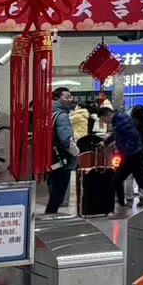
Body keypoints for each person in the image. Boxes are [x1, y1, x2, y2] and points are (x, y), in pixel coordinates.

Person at [98, 104, 143, 210]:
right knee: (140, 180)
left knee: (118, 180)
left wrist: (125, 151)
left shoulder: (121, 120)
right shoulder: (118, 120)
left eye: (104, 119)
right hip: (133, 154)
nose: (105, 122)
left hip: (131, 155)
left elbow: (132, 136)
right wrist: (105, 142)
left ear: (108, 115)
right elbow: (117, 135)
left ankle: (122, 204)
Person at [44, 86, 79, 214]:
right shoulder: (62, 115)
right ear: (57, 98)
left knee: (54, 190)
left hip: (51, 158)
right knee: (58, 193)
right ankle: (50, 215)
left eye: (70, 97)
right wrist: (76, 152)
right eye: (67, 97)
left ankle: (50, 214)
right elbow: (66, 139)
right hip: (62, 160)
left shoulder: (49, 113)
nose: (70, 99)